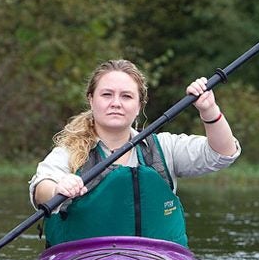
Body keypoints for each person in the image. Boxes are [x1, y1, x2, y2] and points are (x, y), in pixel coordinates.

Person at [29, 59, 240, 248]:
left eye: (126, 96)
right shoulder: (70, 152)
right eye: (107, 94)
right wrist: (58, 187)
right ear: (91, 100)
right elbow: (41, 188)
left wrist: (209, 110)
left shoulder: (164, 148)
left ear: (139, 106)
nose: (116, 103)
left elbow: (222, 153)